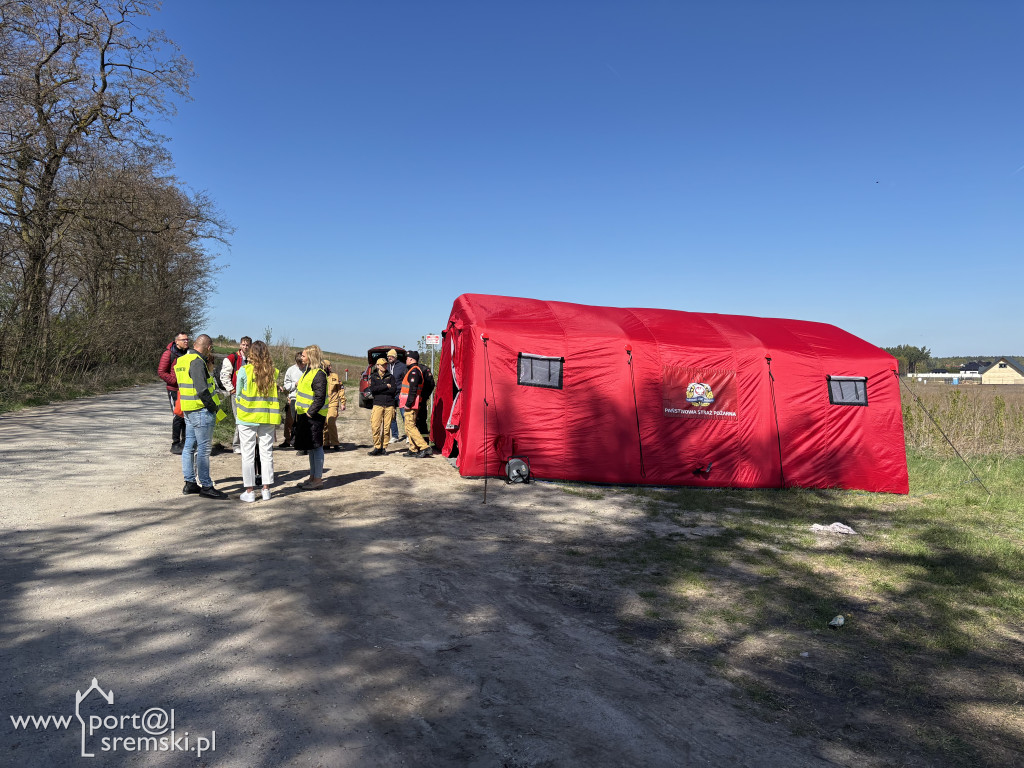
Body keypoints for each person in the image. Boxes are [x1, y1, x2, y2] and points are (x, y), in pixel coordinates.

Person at [174, 334, 228, 499]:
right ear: (209, 347)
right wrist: (212, 407)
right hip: (201, 410)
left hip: (189, 409)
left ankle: (190, 483)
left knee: (189, 446)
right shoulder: (197, 362)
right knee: (204, 450)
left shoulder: (182, 360)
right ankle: (206, 485)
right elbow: (202, 390)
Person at [234, 340, 280, 502]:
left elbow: (238, 394)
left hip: (247, 417)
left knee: (247, 454)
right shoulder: (273, 372)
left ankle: (250, 491)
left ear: (251, 354)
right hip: (267, 418)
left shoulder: (244, 371)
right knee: (266, 453)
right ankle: (266, 490)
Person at [293, 344, 328, 489]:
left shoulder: (319, 374)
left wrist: (309, 413)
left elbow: (319, 398)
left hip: (314, 416)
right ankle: (312, 477)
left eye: (304, 355)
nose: (302, 357)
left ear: (311, 357)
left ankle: (318, 479)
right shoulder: (308, 371)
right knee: (311, 447)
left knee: (316, 446)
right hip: (305, 416)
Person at [157, 331, 190, 454]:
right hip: (174, 390)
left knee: (187, 416)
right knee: (177, 416)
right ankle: (175, 444)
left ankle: (185, 442)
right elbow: (161, 372)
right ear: (177, 342)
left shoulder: (189, 353)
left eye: (187, 339)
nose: (186, 341)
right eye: (183, 340)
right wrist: (175, 381)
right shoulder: (168, 354)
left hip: (187, 389)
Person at [219, 336, 251, 454]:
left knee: (246, 419)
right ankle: (236, 444)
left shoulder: (251, 358)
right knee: (239, 419)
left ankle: (244, 444)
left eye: (247, 345)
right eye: (243, 344)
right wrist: (231, 389)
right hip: (236, 393)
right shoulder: (233, 358)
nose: (245, 347)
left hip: (248, 394)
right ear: (240, 345)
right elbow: (224, 375)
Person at [399, 351, 432, 458]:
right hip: (411, 404)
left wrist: (408, 404)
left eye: (407, 358)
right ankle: (413, 449)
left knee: (411, 426)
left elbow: (413, 390)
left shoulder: (414, 372)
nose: (406, 360)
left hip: (411, 405)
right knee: (408, 427)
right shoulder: (413, 370)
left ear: (412, 359)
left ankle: (424, 447)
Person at [367, 357, 396, 456]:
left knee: (387, 428)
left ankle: (384, 447)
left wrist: (382, 389)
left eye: (385, 365)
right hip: (378, 404)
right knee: (375, 426)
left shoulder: (391, 377)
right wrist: (385, 386)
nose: (384, 366)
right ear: (378, 366)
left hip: (389, 405)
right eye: (382, 365)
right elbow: (373, 390)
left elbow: (393, 390)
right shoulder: (373, 377)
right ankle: (377, 447)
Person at [280, 351, 304, 448]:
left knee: (301, 421)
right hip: (293, 398)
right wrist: (295, 384)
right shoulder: (291, 370)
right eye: (299, 364)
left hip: (304, 399)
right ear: (296, 362)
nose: (301, 366)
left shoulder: (308, 369)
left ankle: (299, 440)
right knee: (290, 420)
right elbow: (286, 385)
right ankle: (288, 439)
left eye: (302, 363)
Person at [322, 359, 346, 450]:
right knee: (324, 423)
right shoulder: (320, 376)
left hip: (333, 403)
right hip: (323, 404)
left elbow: (340, 389)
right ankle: (325, 443)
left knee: (330, 422)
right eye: (328, 366)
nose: (330, 367)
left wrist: (343, 402)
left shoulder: (335, 376)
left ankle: (335, 443)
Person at [386, 349, 407, 443]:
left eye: (391, 356)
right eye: (388, 356)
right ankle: (395, 436)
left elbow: (406, 379)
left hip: (400, 394)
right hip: (390, 394)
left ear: (395, 356)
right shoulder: (386, 367)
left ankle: (408, 436)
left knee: (404, 415)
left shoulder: (402, 366)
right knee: (391, 415)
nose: (389, 358)